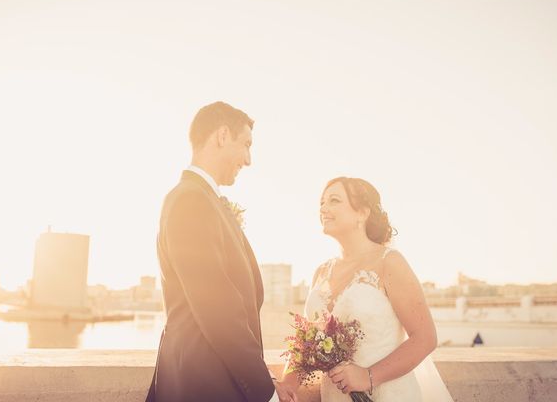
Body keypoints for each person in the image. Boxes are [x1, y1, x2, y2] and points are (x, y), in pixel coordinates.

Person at [144, 101, 296, 402]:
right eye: (246, 145)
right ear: (222, 136)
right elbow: (218, 308)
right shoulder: (192, 201)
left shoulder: (202, 199)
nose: (249, 159)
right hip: (204, 384)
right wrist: (264, 388)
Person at [278, 177, 453, 401]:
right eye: (322, 202)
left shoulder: (389, 262)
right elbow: (305, 344)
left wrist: (368, 376)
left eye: (334, 200)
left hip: (386, 393)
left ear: (362, 213)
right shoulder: (321, 272)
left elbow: (425, 337)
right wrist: (286, 385)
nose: (323, 208)